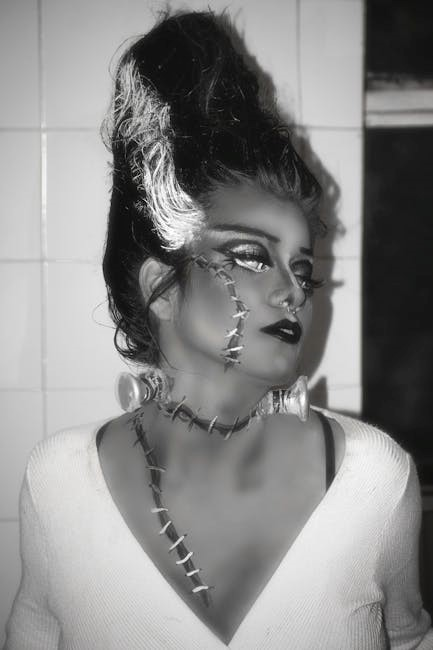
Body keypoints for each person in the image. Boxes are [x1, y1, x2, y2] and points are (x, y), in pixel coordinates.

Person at [4, 10, 433, 650]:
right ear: (162, 288)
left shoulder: (375, 481)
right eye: (252, 256)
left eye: (303, 269)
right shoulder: (58, 484)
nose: (293, 290)